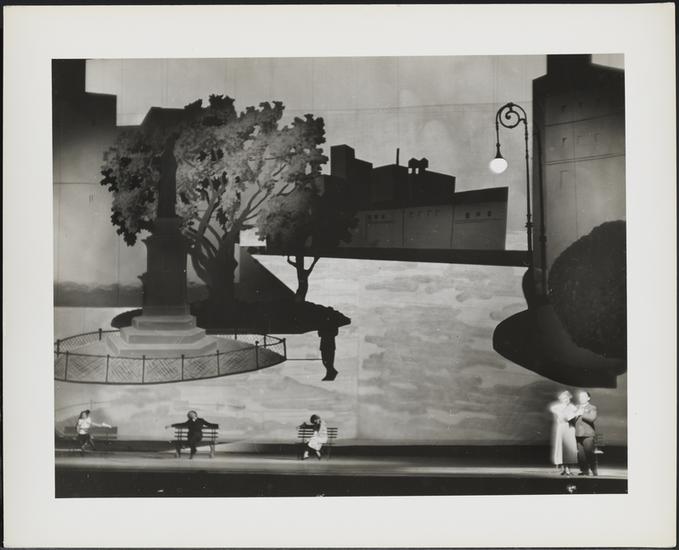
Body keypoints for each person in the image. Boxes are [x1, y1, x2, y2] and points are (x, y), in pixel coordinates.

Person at [549, 390, 578, 475]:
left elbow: (574, 417)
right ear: (561, 399)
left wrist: (568, 416)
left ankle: (568, 469)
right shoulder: (558, 407)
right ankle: (564, 469)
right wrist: (560, 412)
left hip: (570, 428)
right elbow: (553, 409)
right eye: (564, 398)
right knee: (561, 448)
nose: (566, 400)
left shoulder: (573, 407)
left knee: (569, 449)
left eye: (567, 398)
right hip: (562, 428)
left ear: (569, 398)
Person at [574, 391, 599, 476]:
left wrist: (582, 413)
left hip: (588, 434)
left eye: (584, 396)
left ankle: (594, 471)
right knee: (581, 455)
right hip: (578, 434)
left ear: (588, 398)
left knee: (589, 454)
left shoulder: (592, 407)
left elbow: (592, 418)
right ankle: (585, 471)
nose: (581, 398)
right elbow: (572, 419)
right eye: (580, 396)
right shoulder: (576, 407)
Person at [318, 315, 339, 381]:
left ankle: (330, 374)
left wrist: (325, 332)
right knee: (325, 362)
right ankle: (330, 374)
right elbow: (319, 334)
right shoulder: (322, 322)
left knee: (328, 362)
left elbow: (335, 333)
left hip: (329, 345)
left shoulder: (333, 322)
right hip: (325, 345)